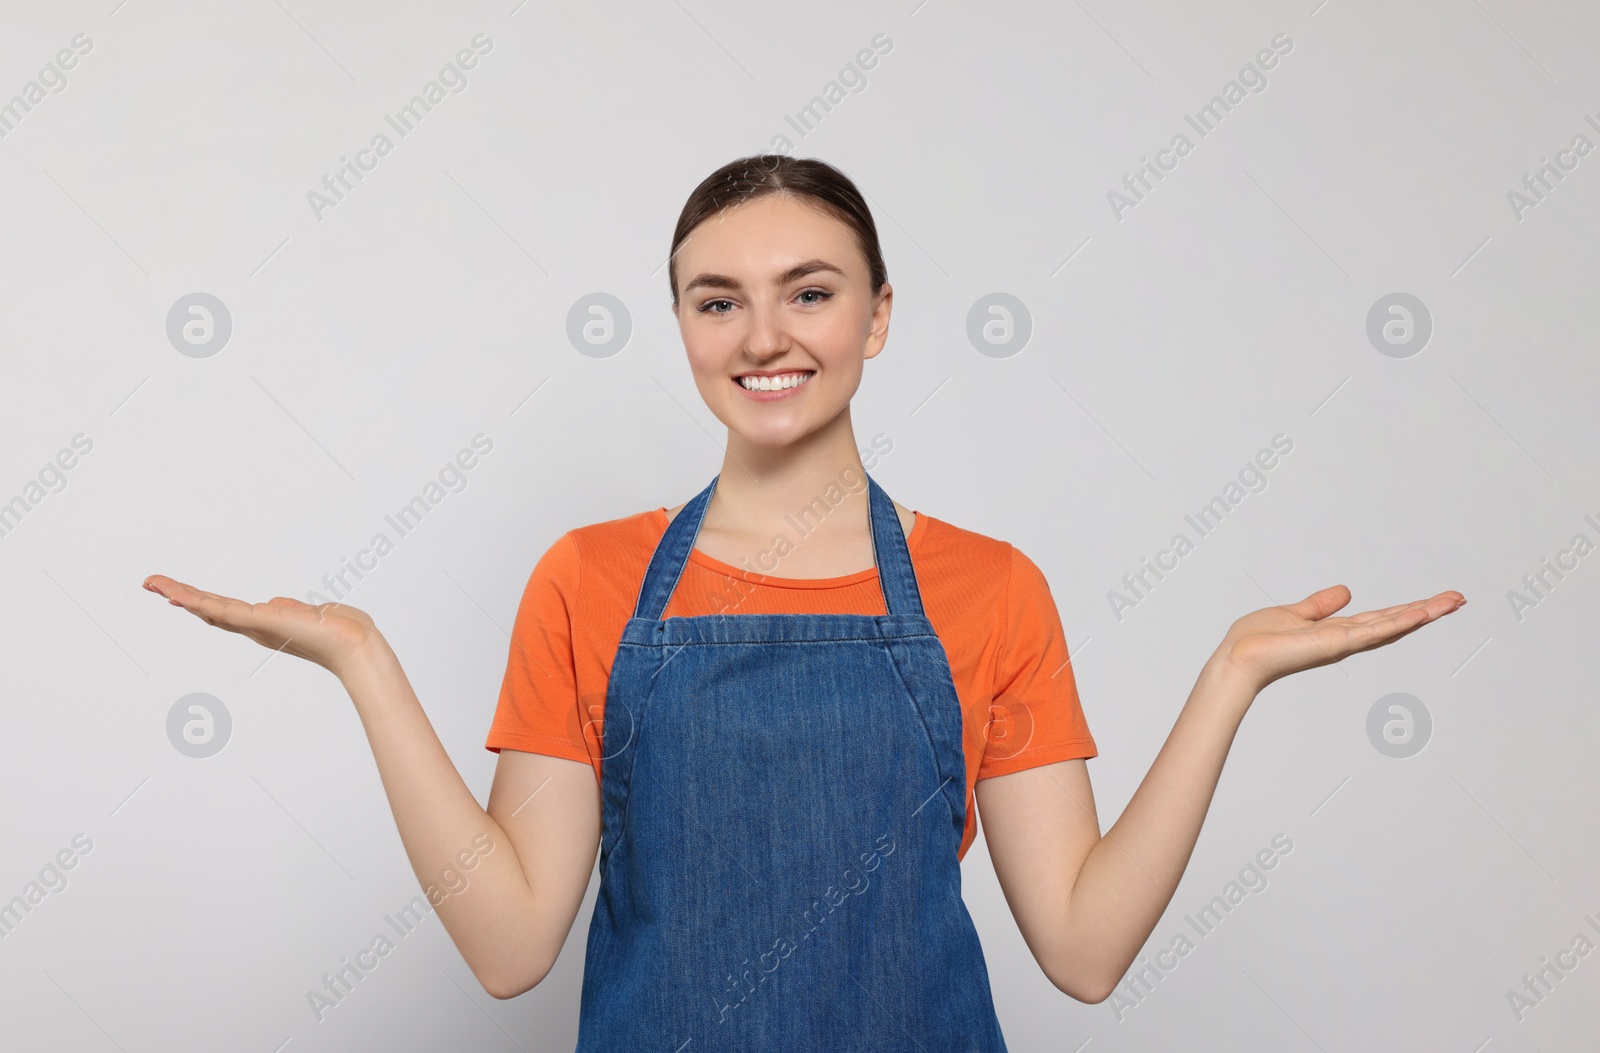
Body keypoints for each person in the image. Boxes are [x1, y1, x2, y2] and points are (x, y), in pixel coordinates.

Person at [143, 155, 1464, 1051]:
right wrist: (366, 663)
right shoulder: (589, 579)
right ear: (680, 322)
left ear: (880, 317)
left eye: (810, 293)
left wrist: (1228, 674)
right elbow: (507, 946)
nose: (764, 336)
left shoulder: (990, 588)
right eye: (719, 301)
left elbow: (1084, 944)